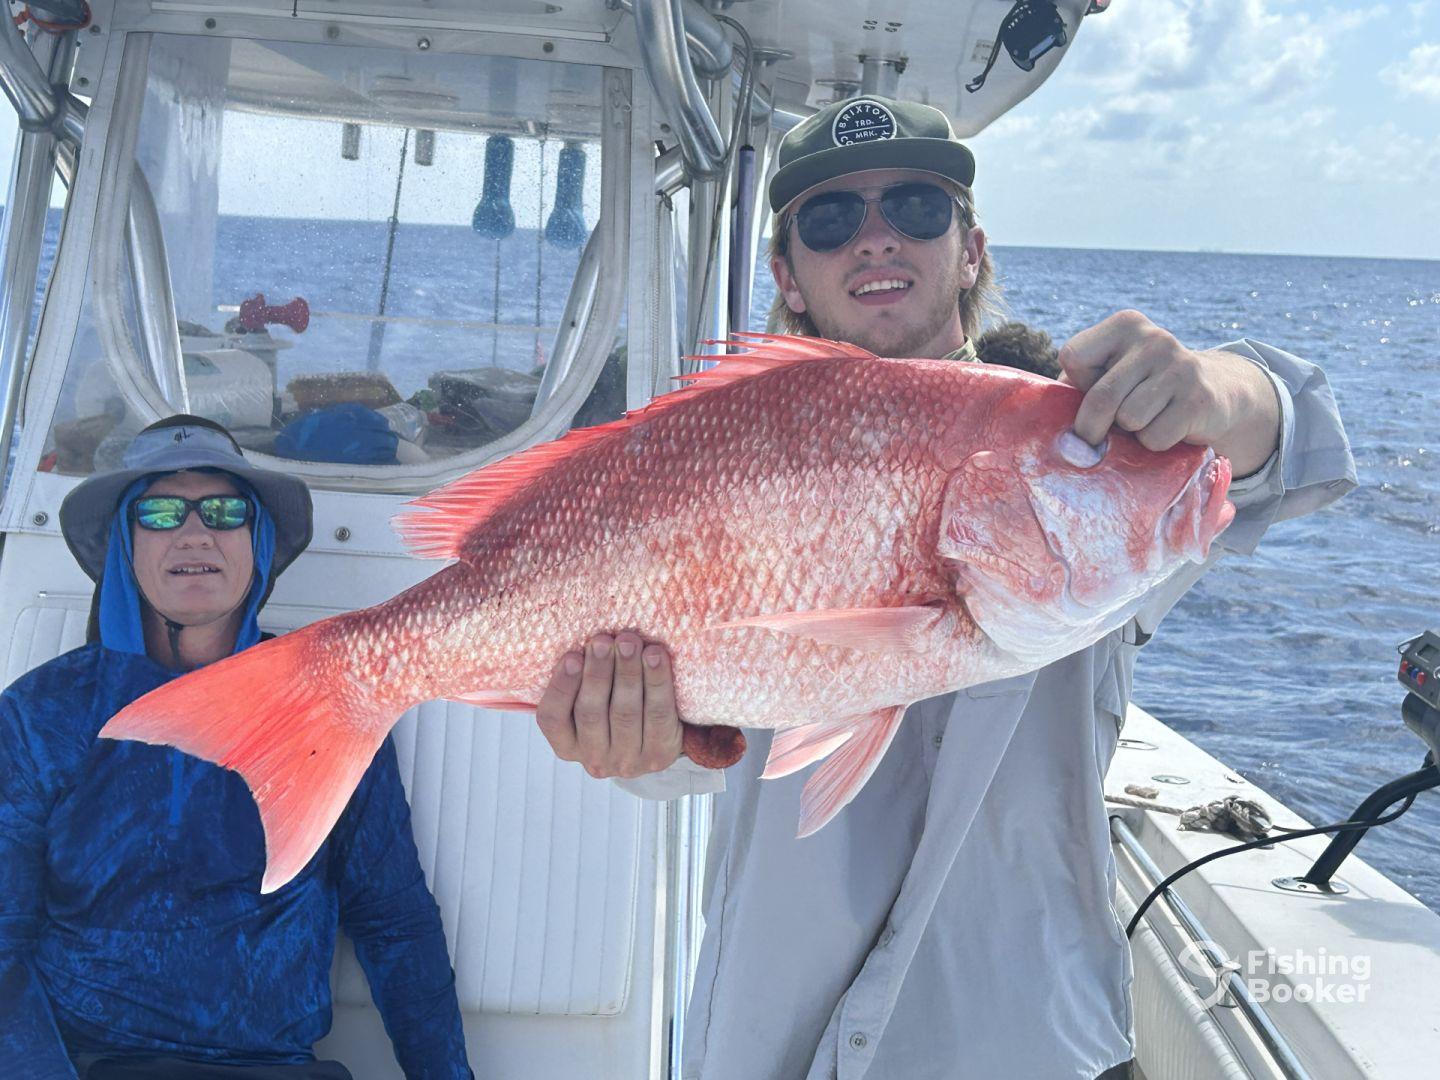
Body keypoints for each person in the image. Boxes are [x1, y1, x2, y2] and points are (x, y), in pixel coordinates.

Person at [532, 95, 1356, 1079]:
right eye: (831, 220)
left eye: (918, 206)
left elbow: (1297, 443)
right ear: (789, 276)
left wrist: (1217, 393)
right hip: (774, 1029)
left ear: (970, 249)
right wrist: (633, 745)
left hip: (1020, 1038)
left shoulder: (1081, 450)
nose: (876, 237)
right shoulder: (726, 456)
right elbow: (688, 763)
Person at [0, 415, 472, 1080]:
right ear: (122, 544)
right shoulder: (38, 715)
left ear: (258, 539)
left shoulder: (331, 701)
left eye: (224, 510)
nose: (195, 532)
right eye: (160, 512)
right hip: (95, 1065)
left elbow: (393, 919)